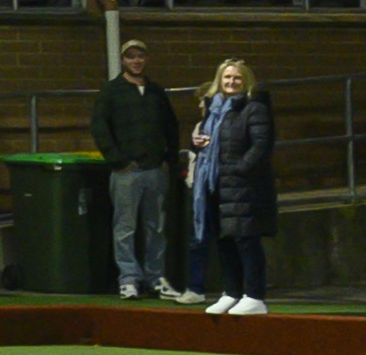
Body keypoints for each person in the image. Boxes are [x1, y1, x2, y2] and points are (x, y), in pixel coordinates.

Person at [92, 36, 190, 303]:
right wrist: (118, 161)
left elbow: (171, 125)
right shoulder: (110, 91)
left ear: (146, 59)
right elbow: (99, 127)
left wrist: (168, 158)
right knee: (125, 227)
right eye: (131, 56)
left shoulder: (157, 91)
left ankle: (155, 277)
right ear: (123, 60)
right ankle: (128, 279)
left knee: (156, 227)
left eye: (140, 56)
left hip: (155, 170)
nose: (136, 61)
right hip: (126, 172)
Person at [197, 58, 276, 311]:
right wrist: (197, 143)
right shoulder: (214, 109)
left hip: (244, 185)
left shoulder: (254, 107)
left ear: (246, 81)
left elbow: (261, 144)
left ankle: (254, 296)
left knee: (246, 239)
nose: (231, 82)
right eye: (227, 77)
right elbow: (212, 144)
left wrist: (239, 168)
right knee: (225, 240)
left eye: (237, 78)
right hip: (216, 184)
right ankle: (231, 291)